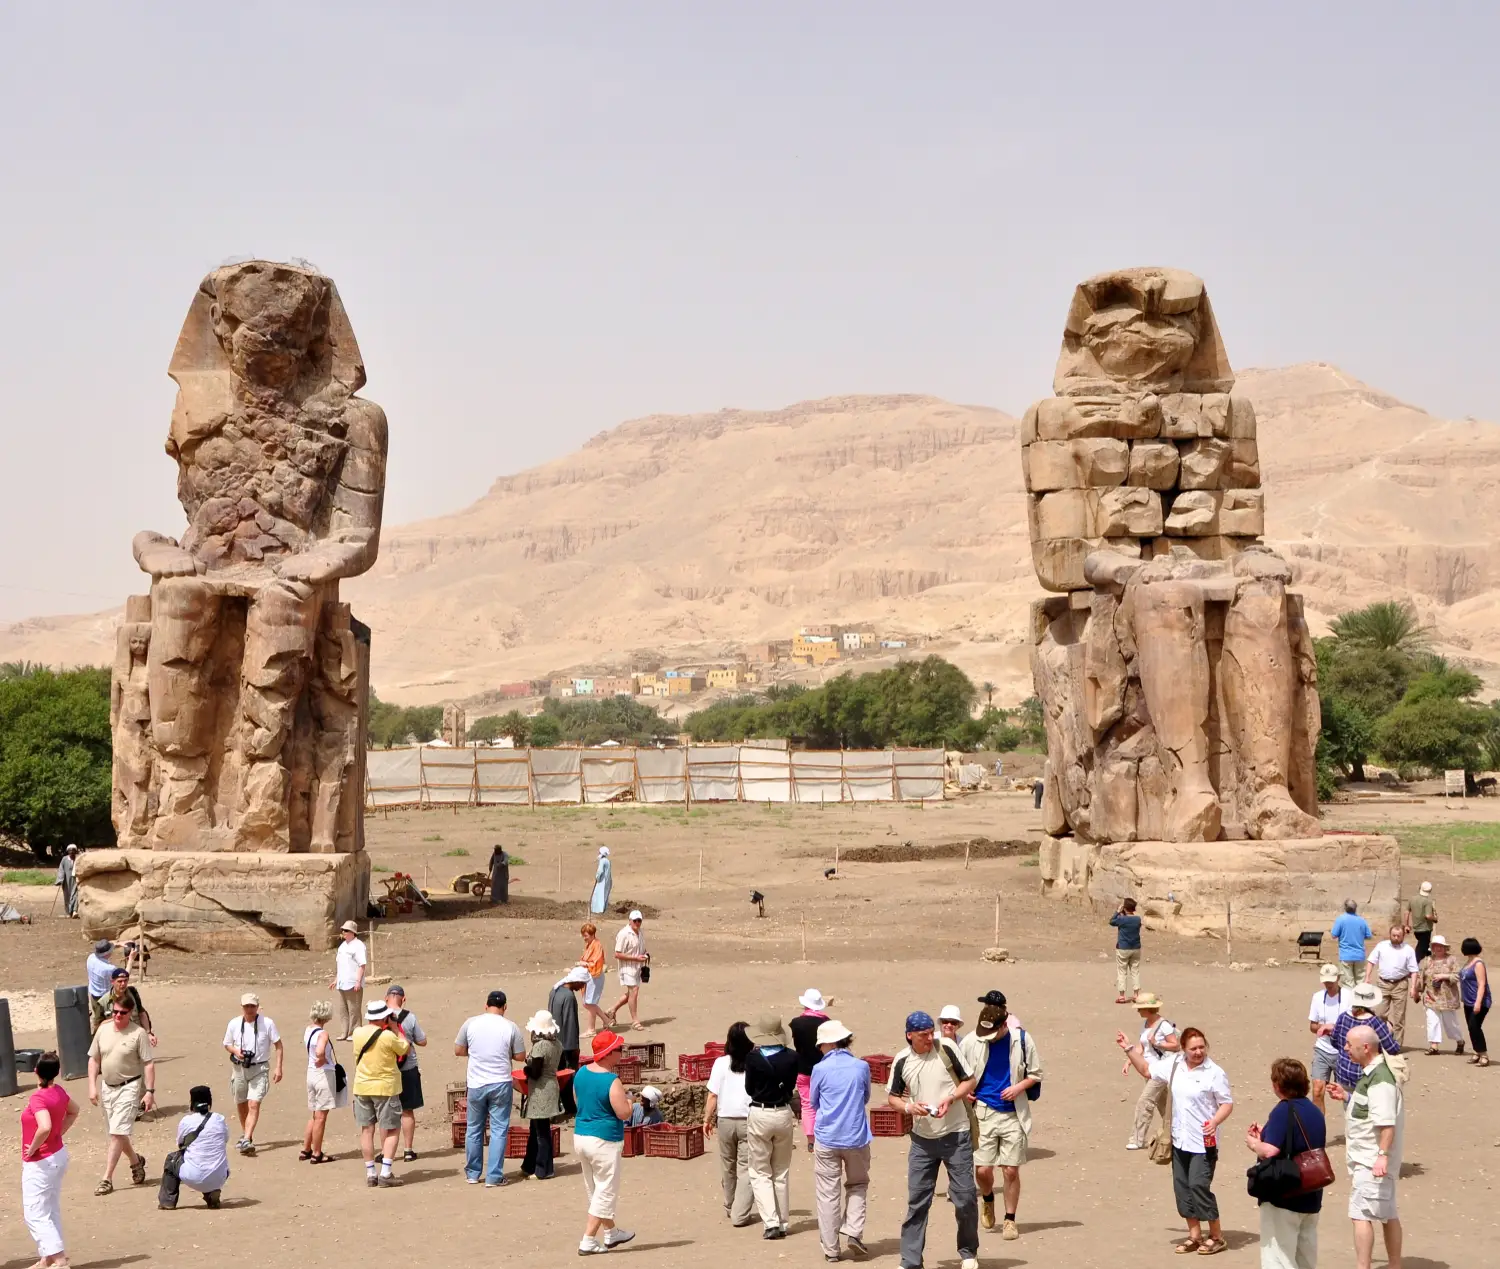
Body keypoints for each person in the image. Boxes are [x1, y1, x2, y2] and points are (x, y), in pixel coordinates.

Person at [1118, 1024, 1233, 1256]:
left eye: (1202, 1047)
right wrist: (1129, 1048)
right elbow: (1147, 1070)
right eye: (1193, 1048)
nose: (1199, 1052)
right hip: (1179, 1140)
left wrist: (1214, 1122)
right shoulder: (1174, 1065)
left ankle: (1216, 1236)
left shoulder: (1214, 1072)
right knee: (1182, 1188)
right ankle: (1194, 1236)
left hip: (1204, 1143)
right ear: (1183, 1049)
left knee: (1199, 1185)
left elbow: (1226, 1103)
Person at [888, 1010, 979, 1269]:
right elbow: (893, 1097)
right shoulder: (902, 1060)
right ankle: (910, 1260)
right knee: (917, 1201)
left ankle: (968, 1253)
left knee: (964, 1198)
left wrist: (952, 1098)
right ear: (910, 1036)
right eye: (923, 1035)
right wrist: (908, 1108)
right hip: (921, 1140)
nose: (929, 1038)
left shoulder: (947, 1047)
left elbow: (969, 1081)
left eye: (930, 1033)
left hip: (956, 1134)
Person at [965, 991, 1043, 1241]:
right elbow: (958, 1075)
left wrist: (1018, 1087)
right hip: (983, 1113)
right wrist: (965, 1093)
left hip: (1012, 1114)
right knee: (983, 1171)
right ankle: (987, 1199)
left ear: (1003, 1026)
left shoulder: (1022, 1040)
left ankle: (1010, 1220)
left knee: (1010, 1170)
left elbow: (1036, 1074)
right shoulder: (970, 1041)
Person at [1327, 1025, 1405, 1269]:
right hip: (1372, 1159)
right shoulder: (1371, 1074)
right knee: (1388, 1213)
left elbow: (1387, 1125)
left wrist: (1381, 1157)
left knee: (1360, 1214)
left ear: (1367, 1047)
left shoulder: (1380, 1080)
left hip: (1371, 1161)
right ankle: (1394, 1265)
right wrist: (1347, 1097)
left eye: (1350, 1044)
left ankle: (1364, 1266)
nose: (1346, 1048)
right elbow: (1370, 1110)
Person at [1245, 1058, 1326, 1269]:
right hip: (1311, 1194)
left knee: (1278, 1259)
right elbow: (1299, 1139)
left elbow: (1270, 1151)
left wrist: (1254, 1143)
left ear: (1278, 1085)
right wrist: (1267, 1132)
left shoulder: (1283, 1110)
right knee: (1305, 1258)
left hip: (1285, 1195)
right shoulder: (1314, 1111)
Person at [808, 1019, 871, 1263]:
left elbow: (814, 1101)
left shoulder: (819, 1069)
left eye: (821, 1044)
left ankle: (831, 1249)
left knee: (827, 1194)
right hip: (856, 1137)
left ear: (829, 1043)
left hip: (827, 1137)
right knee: (858, 1184)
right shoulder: (861, 1066)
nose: (820, 1049)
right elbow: (865, 1096)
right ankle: (853, 1231)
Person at [87, 992, 157, 1195]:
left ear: (130, 1013)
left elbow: (149, 1063)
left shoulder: (138, 1034)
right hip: (108, 1087)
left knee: (118, 1132)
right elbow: (94, 1059)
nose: (117, 1016)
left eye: (122, 1013)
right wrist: (92, 1085)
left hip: (130, 1086)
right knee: (117, 1132)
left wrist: (149, 1092)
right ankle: (136, 1162)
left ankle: (106, 1178)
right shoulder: (103, 1030)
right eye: (115, 1012)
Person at [455, 989, 527, 1186]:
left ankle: (472, 1173)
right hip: (500, 1082)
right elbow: (520, 1056)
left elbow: (458, 1050)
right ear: (504, 1007)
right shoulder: (510, 1026)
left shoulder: (470, 1023)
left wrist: (476, 1051)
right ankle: (494, 1176)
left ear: (486, 1006)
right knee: (498, 1130)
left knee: (474, 1128)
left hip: (476, 1083)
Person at [574, 1028, 636, 1254]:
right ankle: (588, 1240)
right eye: (618, 1049)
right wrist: (630, 1102)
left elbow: (577, 1100)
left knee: (595, 1188)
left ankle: (611, 1233)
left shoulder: (581, 1073)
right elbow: (623, 1113)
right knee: (605, 1190)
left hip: (581, 1136)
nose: (621, 1053)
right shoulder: (612, 1081)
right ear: (610, 1053)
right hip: (604, 1140)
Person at [745, 1013, 799, 1240]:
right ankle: (783, 1222)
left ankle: (771, 1222)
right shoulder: (793, 1057)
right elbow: (792, 1085)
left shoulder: (753, 1059)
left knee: (760, 1171)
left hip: (760, 1111)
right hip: (784, 1113)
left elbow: (749, 1088)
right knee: (781, 1171)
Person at [21, 1051, 77, 1266]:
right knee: (49, 1207)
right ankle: (48, 1257)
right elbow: (74, 1111)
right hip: (57, 1155)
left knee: (35, 1212)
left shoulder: (38, 1097)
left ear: (35, 1071)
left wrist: (33, 1148)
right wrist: (58, 1133)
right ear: (57, 1072)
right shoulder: (59, 1091)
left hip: (41, 1161)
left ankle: (60, 1259)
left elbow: (44, 1126)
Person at [350, 1000, 410, 1188]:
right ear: (384, 1016)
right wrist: (395, 1027)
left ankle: (370, 1173)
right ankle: (385, 1172)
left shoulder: (357, 1033)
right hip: (385, 1087)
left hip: (362, 1087)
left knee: (367, 1130)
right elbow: (404, 1047)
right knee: (392, 1129)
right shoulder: (387, 1036)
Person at [705, 1020, 756, 1228]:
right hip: (748, 1119)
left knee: (728, 1165)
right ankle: (740, 1212)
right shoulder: (755, 1062)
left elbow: (712, 1096)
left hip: (725, 1120)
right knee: (746, 1167)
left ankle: (729, 1204)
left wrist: (706, 1119)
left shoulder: (720, 1063)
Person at [222, 992, 283, 1156]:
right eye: (246, 1006)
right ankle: (246, 1134)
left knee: (253, 1104)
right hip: (239, 1068)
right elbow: (227, 1044)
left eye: (252, 1006)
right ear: (241, 1007)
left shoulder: (267, 1023)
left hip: (260, 1068)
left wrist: (278, 1068)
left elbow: (278, 1045)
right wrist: (236, 1050)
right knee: (241, 1103)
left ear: (257, 1007)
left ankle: (247, 1138)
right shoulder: (234, 1023)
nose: (249, 1009)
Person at [159, 1085, 230, 1210]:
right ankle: (211, 1193)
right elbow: (225, 1139)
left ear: (192, 1103)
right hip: (220, 1177)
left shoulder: (187, 1121)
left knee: (172, 1159)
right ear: (210, 1102)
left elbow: (180, 1144)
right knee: (215, 1158)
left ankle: (167, 1201)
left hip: (193, 1176)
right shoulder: (219, 1119)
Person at [1125, 991, 1179, 1150]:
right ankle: (1175, 1134)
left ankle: (1137, 1139)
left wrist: (1158, 1043)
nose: (1138, 1011)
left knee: (1145, 1101)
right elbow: (1142, 1047)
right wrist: (1129, 1060)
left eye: (1140, 1008)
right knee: (1164, 1104)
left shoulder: (1164, 1026)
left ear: (1148, 1009)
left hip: (1161, 1071)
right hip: (1148, 1070)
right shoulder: (1146, 1024)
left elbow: (1175, 1045)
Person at [1330, 985, 1401, 1095]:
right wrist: (1390, 1031)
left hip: (1344, 1072)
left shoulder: (1343, 1017)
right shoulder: (1375, 1022)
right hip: (1366, 1075)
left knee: (1348, 1106)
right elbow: (1392, 1048)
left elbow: (1334, 1041)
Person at [521, 1009, 563, 1180]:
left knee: (541, 1133)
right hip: (552, 1086)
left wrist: (526, 1069)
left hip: (541, 1091)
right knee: (538, 1129)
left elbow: (536, 1072)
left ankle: (543, 1169)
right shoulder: (557, 1044)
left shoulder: (540, 1046)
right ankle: (529, 1165)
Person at [387, 985, 427, 1161]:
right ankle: (408, 1150)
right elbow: (422, 1041)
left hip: (387, 1069)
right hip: (408, 1067)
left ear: (386, 998)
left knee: (386, 1112)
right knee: (407, 1110)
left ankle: (385, 1152)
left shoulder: (379, 1017)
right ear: (403, 999)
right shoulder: (410, 1018)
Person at [789, 987, 831, 1151]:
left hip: (803, 1068)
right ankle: (823, 1136)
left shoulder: (795, 1023)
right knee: (824, 1102)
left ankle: (811, 1140)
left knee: (807, 1105)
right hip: (823, 1068)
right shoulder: (826, 1022)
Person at [1365, 925, 1419, 1047]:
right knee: (1379, 1014)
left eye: (1398, 936)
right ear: (1390, 935)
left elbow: (1414, 970)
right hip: (1383, 983)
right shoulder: (1381, 946)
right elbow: (1371, 961)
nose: (1395, 938)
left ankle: (1396, 1045)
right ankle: (1380, 1042)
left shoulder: (1408, 950)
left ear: (1403, 936)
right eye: (1393, 935)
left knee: (1399, 1017)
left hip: (1400, 984)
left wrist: (1413, 987)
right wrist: (1367, 977)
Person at [1307, 964, 1351, 1112]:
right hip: (1322, 1049)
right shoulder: (1317, 997)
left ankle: (1352, 1131)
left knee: (1346, 1093)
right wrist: (1322, 1028)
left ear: (1338, 978)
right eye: (1326, 982)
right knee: (1317, 1090)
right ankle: (1318, 1131)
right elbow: (1312, 1026)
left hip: (1344, 1051)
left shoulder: (1349, 996)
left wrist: (1335, 1028)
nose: (1329, 985)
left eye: (1331, 981)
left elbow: (1354, 1024)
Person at [301, 1000, 339, 1163]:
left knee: (314, 1113)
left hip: (311, 1074)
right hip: (323, 1075)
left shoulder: (308, 1030)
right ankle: (317, 1153)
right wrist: (322, 1058)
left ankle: (306, 1148)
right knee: (321, 1116)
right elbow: (320, 1050)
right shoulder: (323, 1034)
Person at [549, 965, 589, 1116]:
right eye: (582, 983)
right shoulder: (569, 997)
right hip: (566, 1044)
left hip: (555, 1040)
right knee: (567, 1076)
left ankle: (562, 1105)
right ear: (576, 980)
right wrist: (574, 1047)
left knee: (558, 1075)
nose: (582, 987)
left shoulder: (555, 991)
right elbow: (570, 1023)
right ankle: (569, 1107)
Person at [1419, 934, 1465, 1056]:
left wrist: (1443, 976)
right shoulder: (1427, 960)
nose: (1438, 948)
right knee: (1432, 1021)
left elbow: (1457, 976)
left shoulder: (1452, 960)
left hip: (1447, 998)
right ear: (1432, 948)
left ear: (1445, 948)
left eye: (1440, 946)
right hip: (1431, 997)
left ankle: (1460, 1041)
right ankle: (1434, 1046)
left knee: (1450, 1023)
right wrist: (1418, 991)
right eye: (1435, 946)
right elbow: (1422, 977)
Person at [610, 910, 649, 1031]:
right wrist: (635, 958)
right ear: (630, 921)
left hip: (637, 967)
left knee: (631, 994)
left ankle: (612, 1010)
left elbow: (641, 948)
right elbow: (617, 954)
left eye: (639, 921)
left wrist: (645, 954)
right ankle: (635, 1020)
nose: (637, 923)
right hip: (627, 967)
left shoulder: (640, 932)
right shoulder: (624, 934)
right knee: (634, 991)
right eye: (635, 921)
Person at [330, 919, 367, 1040]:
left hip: (353, 982)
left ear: (352, 932)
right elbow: (340, 965)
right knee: (343, 1009)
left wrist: (358, 981)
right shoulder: (342, 946)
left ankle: (354, 1032)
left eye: (346, 930)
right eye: (343, 930)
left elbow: (362, 965)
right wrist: (336, 980)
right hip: (342, 982)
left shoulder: (359, 946)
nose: (343, 932)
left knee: (354, 1009)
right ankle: (344, 1032)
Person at [104, 968, 157, 1046]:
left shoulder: (133, 993)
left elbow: (141, 1013)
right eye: (119, 981)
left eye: (125, 981)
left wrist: (148, 1033)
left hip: (135, 1035)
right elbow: (99, 1024)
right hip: (116, 1039)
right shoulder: (104, 1001)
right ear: (112, 982)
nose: (123, 984)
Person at [1460, 936, 1491, 1068]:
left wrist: (1478, 1003)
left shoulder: (1478, 963)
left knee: (1475, 1026)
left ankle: (1484, 1055)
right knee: (1471, 1027)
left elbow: (1482, 984)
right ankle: (1476, 1052)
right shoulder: (1468, 962)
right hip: (1468, 1001)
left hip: (1479, 1001)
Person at [1331, 900, 1374, 988]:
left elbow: (1333, 935)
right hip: (1359, 956)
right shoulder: (1362, 921)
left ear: (1345, 907)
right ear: (1355, 908)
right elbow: (1369, 936)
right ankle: (1359, 1001)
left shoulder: (1341, 919)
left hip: (1346, 955)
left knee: (1347, 983)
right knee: (1360, 983)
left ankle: (1349, 1001)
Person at [1110, 897, 1144, 1003]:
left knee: (1122, 972)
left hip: (1123, 948)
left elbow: (1112, 921)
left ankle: (1122, 996)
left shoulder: (1122, 919)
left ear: (1125, 908)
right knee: (1135, 971)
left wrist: (1118, 911)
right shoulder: (1137, 919)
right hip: (1135, 948)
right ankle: (1136, 994)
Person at [579, 922, 610, 1036]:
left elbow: (596, 962)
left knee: (590, 1003)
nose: (584, 938)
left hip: (595, 976)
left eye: (586, 935)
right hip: (590, 976)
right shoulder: (590, 944)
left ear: (592, 935)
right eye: (583, 935)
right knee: (588, 1003)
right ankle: (606, 1020)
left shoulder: (597, 945)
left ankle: (591, 1029)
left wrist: (584, 964)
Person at [86, 939, 117, 1031]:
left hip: (94, 995)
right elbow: (124, 976)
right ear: (108, 953)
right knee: (105, 1022)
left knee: (98, 1018)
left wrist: (120, 943)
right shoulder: (108, 968)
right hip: (105, 998)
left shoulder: (91, 958)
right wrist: (131, 959)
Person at [1404, 881, 1437, 962]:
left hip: (1416, 929)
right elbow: (1428, 916)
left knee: (1425, 947)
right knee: (1420, 950)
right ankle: (1413, 965)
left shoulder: (1412, 899)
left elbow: (1406, 912)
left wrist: (1406, 925)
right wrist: (1435, 919)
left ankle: (1428, 961)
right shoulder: (1427, 901)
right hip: (1425, 929)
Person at [53, 844, 79, 918]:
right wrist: (60, 879)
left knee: (75, 895)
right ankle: (68, 912)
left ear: (75, 851)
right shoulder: (64, 859)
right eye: (70, 850)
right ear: (68, 851)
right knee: (67, 896)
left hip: (75, 880)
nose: (71, 852)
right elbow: (61, 869)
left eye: (73, 850)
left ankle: (74, 911)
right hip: (66, 880)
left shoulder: (78, 859)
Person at [590, 845, 613, 915]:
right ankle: (602, 909)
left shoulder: (602, 861)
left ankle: (598, 910)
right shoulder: (608, 861)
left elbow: (600, 871)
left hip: (602, 882)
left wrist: (597, 877)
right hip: (607, 881)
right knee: (604, 895)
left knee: (599, 895)